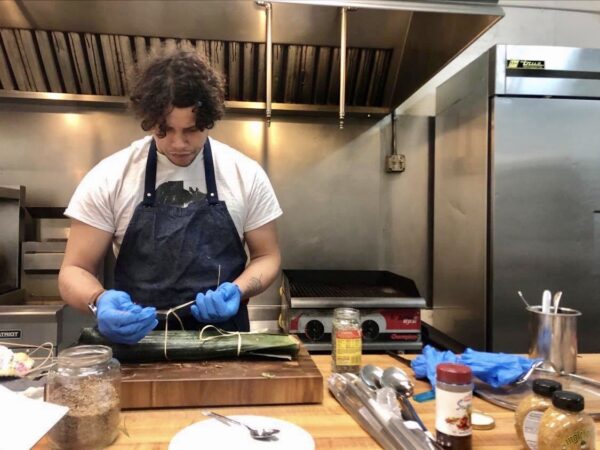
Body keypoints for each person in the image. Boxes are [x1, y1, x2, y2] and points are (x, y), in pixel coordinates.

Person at [58, 48, 282, 345]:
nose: (179, 143)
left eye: (191, 130)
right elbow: (74, 270)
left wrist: (237, 290)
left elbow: (267, 256)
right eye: (164, 130)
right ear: (148, 120)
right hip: (139, 345)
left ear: (210, 120)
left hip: (224, 344)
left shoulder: (245, 174)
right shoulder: (111, 176)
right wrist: (99, 301)